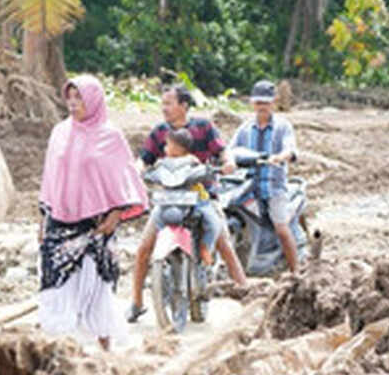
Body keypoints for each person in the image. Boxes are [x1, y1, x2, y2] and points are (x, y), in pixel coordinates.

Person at [38, 75, 147, 351]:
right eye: (70, 98)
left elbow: (123, 178)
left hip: (96, 228)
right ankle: (60, 353)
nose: (73, 104)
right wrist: (43, 218)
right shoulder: (60, 133)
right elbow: (50, 178)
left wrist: (115, 216)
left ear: (94, 101)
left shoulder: (110, 136)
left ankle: (105, 354)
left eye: (80, 98)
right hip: (60, 226)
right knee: (58, 289)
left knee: (96, 291)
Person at [128, 84, 246, 323]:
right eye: (162, 104)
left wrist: (228, 162)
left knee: (222, 242)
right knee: (143, 249)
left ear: (184, 106)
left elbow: (223, 151)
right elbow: (145, 158)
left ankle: (247, 295)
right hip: (170, 197)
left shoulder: (203, 127)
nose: (164, 109)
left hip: (202, 196)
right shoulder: (160, 132)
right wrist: (137, 170)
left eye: (169, 103)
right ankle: (137, 302)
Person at [224, 79, 300, 272]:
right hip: (248, 188)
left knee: (281, 229)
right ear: (252, 103)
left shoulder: (282, 127)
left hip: (274, 188)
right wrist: (227, 161)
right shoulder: (245, 129)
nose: (262, 107)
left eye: (265, 103)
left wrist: (280, 157)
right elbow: (229, 150)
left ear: (273, 102)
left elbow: (290, 149)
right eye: (258, 103)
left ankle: (296, 273)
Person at [150, 128, 222, 266]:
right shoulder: (163, 162)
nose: (165, 148)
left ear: (179, 147)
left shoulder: (191, 161)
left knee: (212, 222)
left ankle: (205, 247)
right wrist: (150, 174)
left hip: (195, 199)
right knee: (157, 216)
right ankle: (162, 240)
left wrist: (206, 171)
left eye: (168, 144)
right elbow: (154, 171)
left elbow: (202, 170)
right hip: (170, 199)